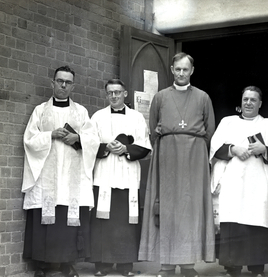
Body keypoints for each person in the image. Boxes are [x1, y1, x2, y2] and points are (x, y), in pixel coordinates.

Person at [138, 52, 216, 277]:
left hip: (194, 158)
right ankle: (167, 266)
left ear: (192, 71)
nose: (181, 73)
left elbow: (209, 129)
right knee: (167, 208)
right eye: (178, 69)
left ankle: (189, 265)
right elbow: (153, 128)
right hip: (167, 158)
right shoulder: (160, 97)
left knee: (191, 209)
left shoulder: (203, 97)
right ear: (172, 70)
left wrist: (191, 141)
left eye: (185, 69)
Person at [22, 66, 99, 277]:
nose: (63, 85)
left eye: (68, 82)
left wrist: (78, 139)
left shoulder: (81, 112)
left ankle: (67, 264)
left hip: (71, 177)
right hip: (48, 176)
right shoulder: (40, 111)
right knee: (47, 218)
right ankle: (45, 265)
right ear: (52, 83)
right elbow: (29, 140)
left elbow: (93, 141)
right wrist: (50, 135)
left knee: (68, 219)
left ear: (73, 85)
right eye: (60, 81)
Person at [210, 86, 268, 277]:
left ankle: (257, 267)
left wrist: (264, 149)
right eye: (246, 99)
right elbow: (214, 146)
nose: (249, 103)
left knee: (257, 220)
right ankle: (233, 267)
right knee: (234, 221)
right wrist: (233, 149)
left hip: (259, 182)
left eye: (253, 100)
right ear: (241, 103)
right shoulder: (228, 122)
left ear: (260, 104)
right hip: (234, 181)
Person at [89, 79, 152, 276]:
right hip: (105, 173)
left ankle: (126, 265)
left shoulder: (137, 117)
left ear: (125, 93)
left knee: (126, 222)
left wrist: (126, 148)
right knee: (103, 221)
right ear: (106, 95)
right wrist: (105, 147)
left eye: (117, 92)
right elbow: (89, 144)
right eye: (110, 93)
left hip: (127, 175)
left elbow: (145, 146)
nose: (114, 96)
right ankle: (103, 265)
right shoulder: (98, 117)